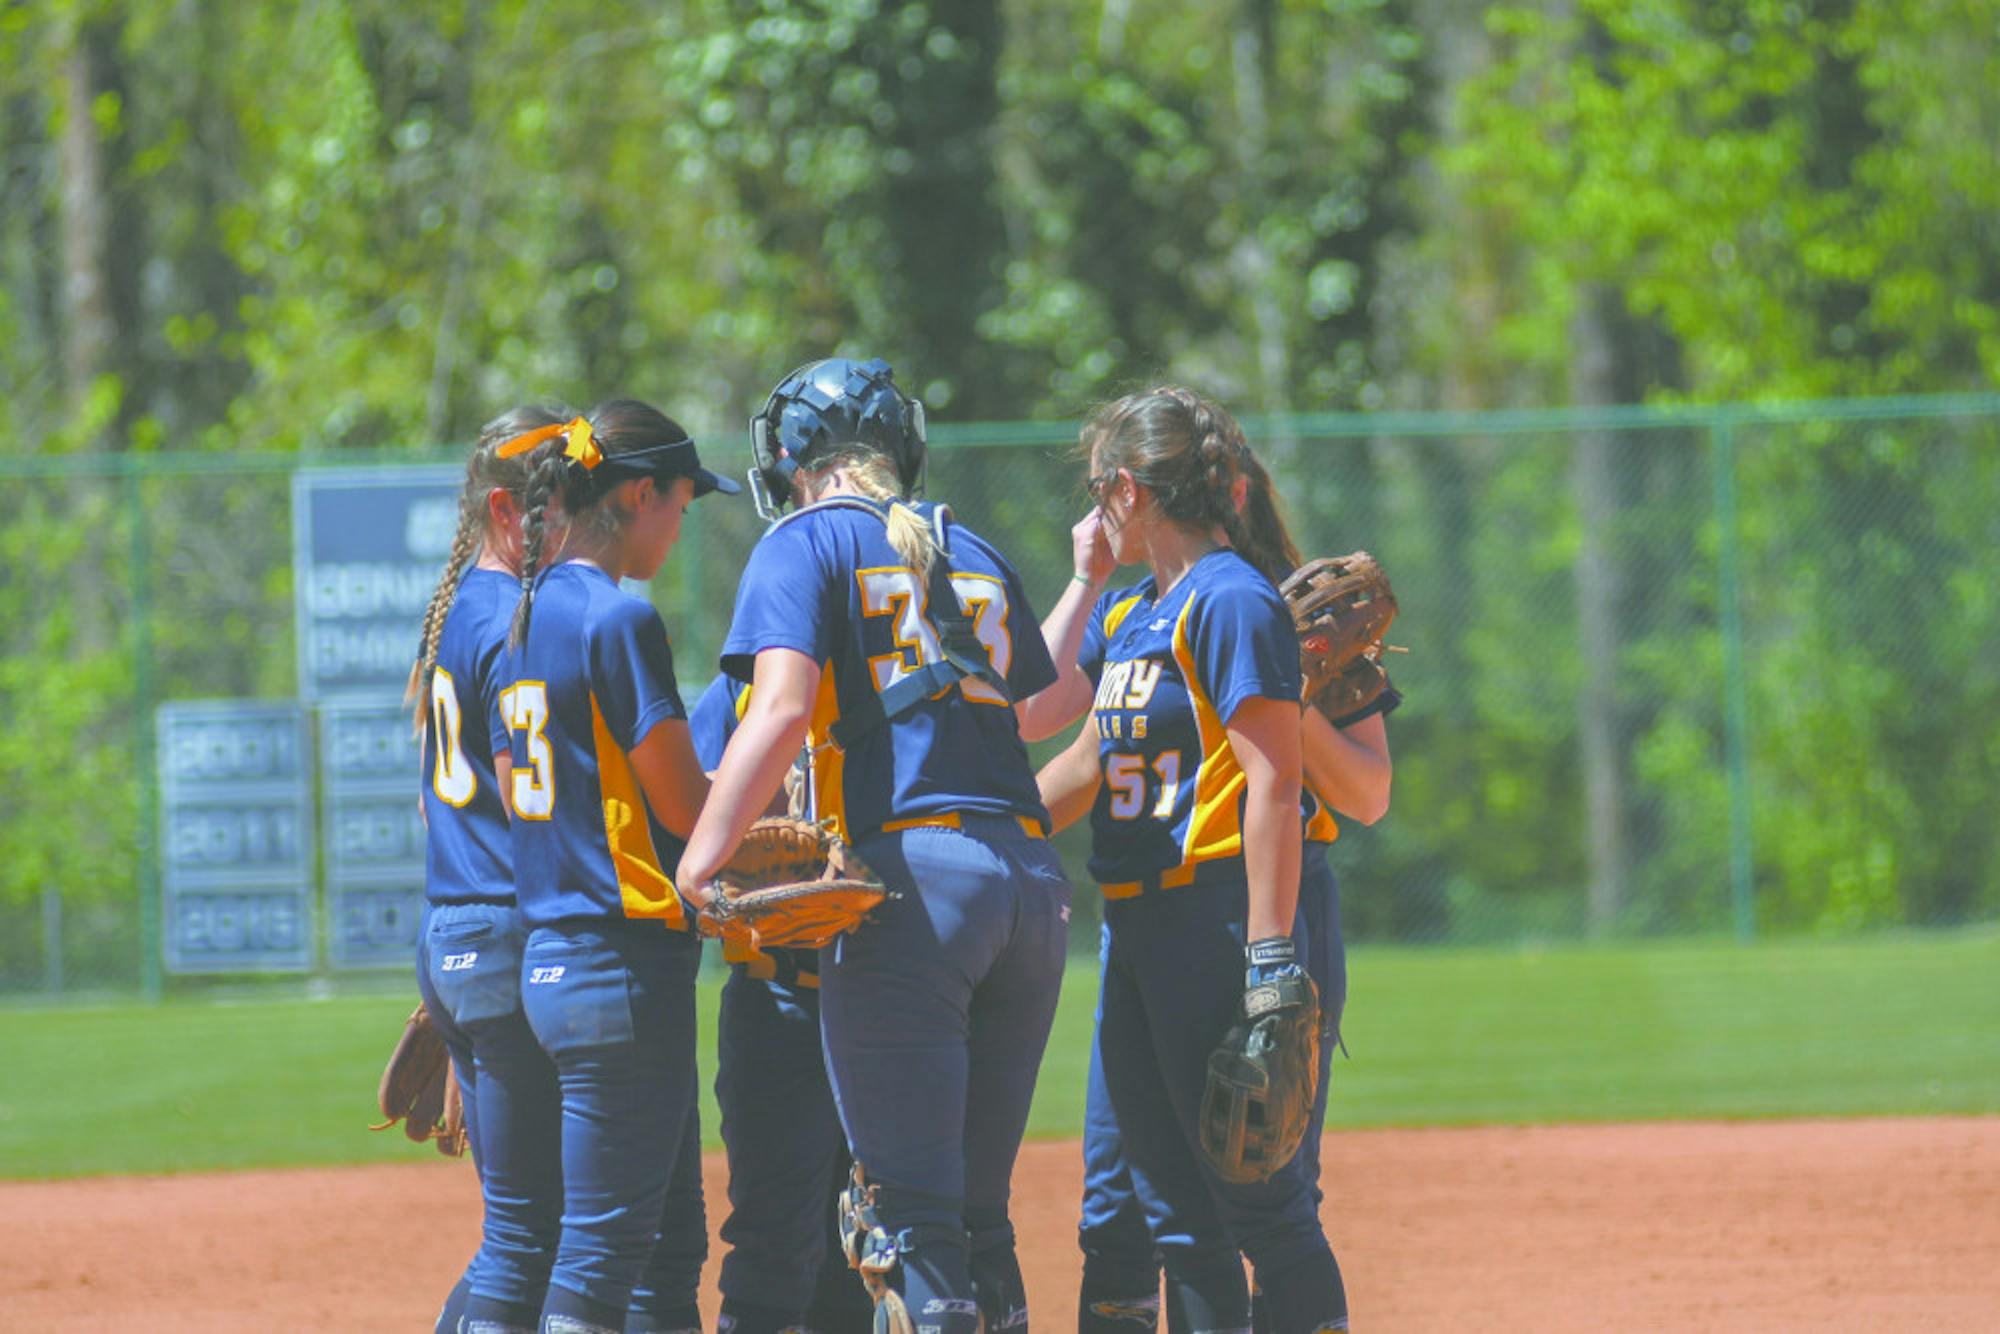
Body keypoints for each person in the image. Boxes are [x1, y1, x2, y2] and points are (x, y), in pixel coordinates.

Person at [675, 357, 1073, 1334]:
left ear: (793, 461)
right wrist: (1094, 587)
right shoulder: (963, 543)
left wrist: (699, 858)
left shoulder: (802, 543)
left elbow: (774, 712)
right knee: (980, 1219)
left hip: (915, 893)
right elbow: (1037, 704)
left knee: (910, 1224)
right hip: (1030, 888)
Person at [1036, 442, 1398, 1333]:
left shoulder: (1271, 610)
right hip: (1141, 921)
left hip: (1245, 907)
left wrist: (1279, 696)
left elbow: (1367, 795)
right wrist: (966, 819)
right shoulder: (1133, 607)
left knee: (1262, 1187)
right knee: (1136, 1207)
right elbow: (1067, 740)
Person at [494, 401, 739, 1334]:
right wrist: (773, 807)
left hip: (557, 957)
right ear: (639, 494)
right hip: (619, 965)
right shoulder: (615, 618)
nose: (680, 524)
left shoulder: (522, 613)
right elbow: (685, 808)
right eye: (679, 502)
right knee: (598, 1262)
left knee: (667, 1248)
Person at [410, 404, 572, 1334]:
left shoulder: (451, 618)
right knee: (529, 1235)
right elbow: (531, 806)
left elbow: (433, 806)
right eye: (558, 504)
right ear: (510, 513)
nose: (572, 522)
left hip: (455, 936)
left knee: (525, 1230)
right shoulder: (505, 624)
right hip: (505, 938)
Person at [686, 672, 875, 1334]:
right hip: (776, 1000)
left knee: (867, 1253)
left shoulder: (884, 676)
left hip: (885, 1006)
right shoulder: (741, 689)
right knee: (772, 1246)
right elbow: (687, 809)